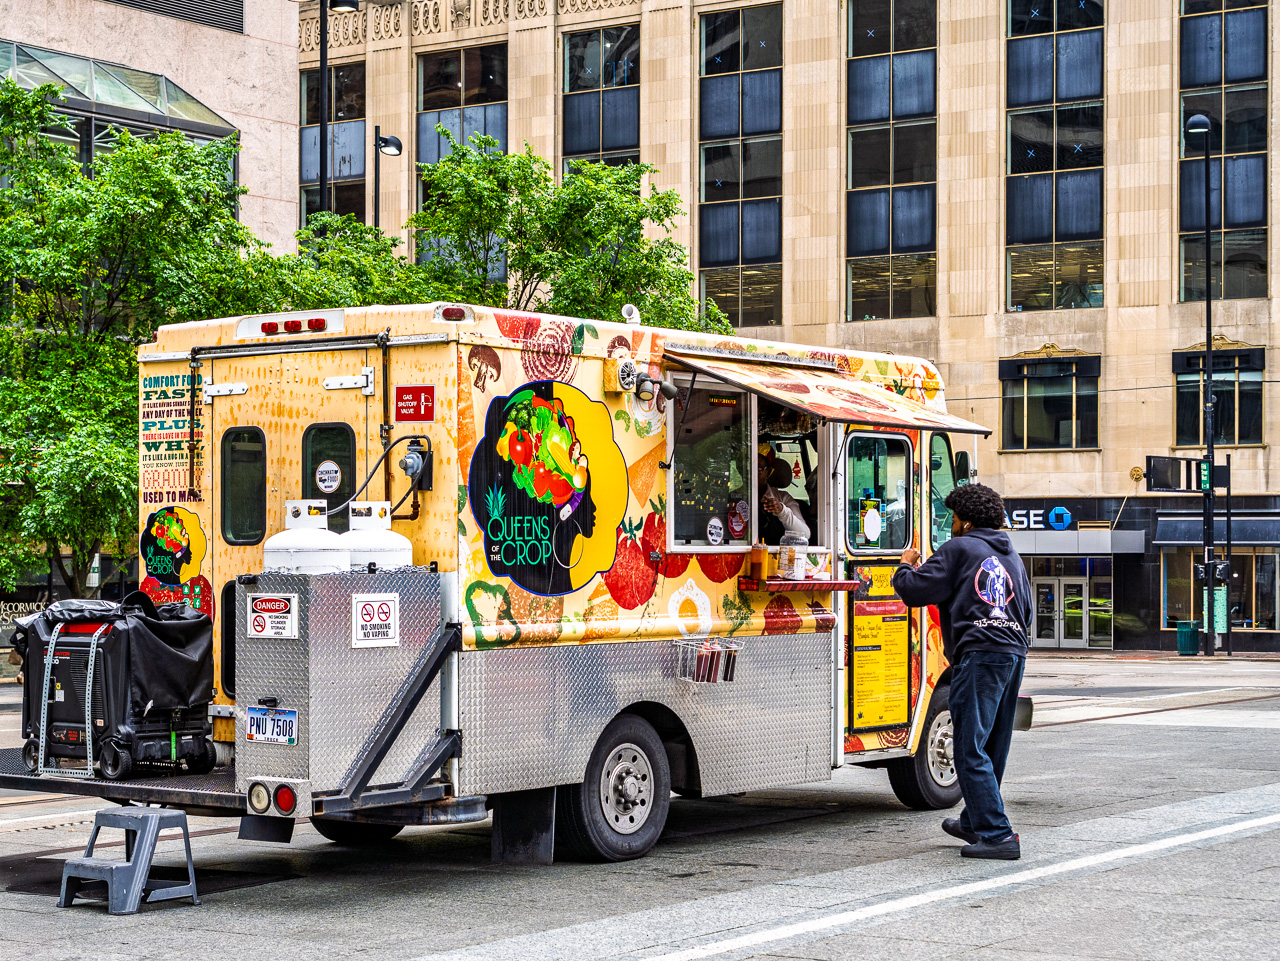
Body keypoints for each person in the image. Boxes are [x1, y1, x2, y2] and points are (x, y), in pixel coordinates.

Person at [891, 483, 1031, 860]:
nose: (951, 524)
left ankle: (998, 835)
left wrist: (905, 563)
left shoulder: (959, 548)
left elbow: (915, 590)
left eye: (953, 517)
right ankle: (975, 820)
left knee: (968, 746)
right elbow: (1027, 609)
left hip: (980, 653)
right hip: (1013, 651)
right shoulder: (1011, 555)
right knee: (992, 745)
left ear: (965, 522)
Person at [757, 445, 810, 545]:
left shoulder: (783, 498)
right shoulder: (734, 498)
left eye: (759, 469)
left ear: (768, 471)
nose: (751, 474)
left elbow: (805, 534)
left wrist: (782, 511)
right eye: (747, 468)